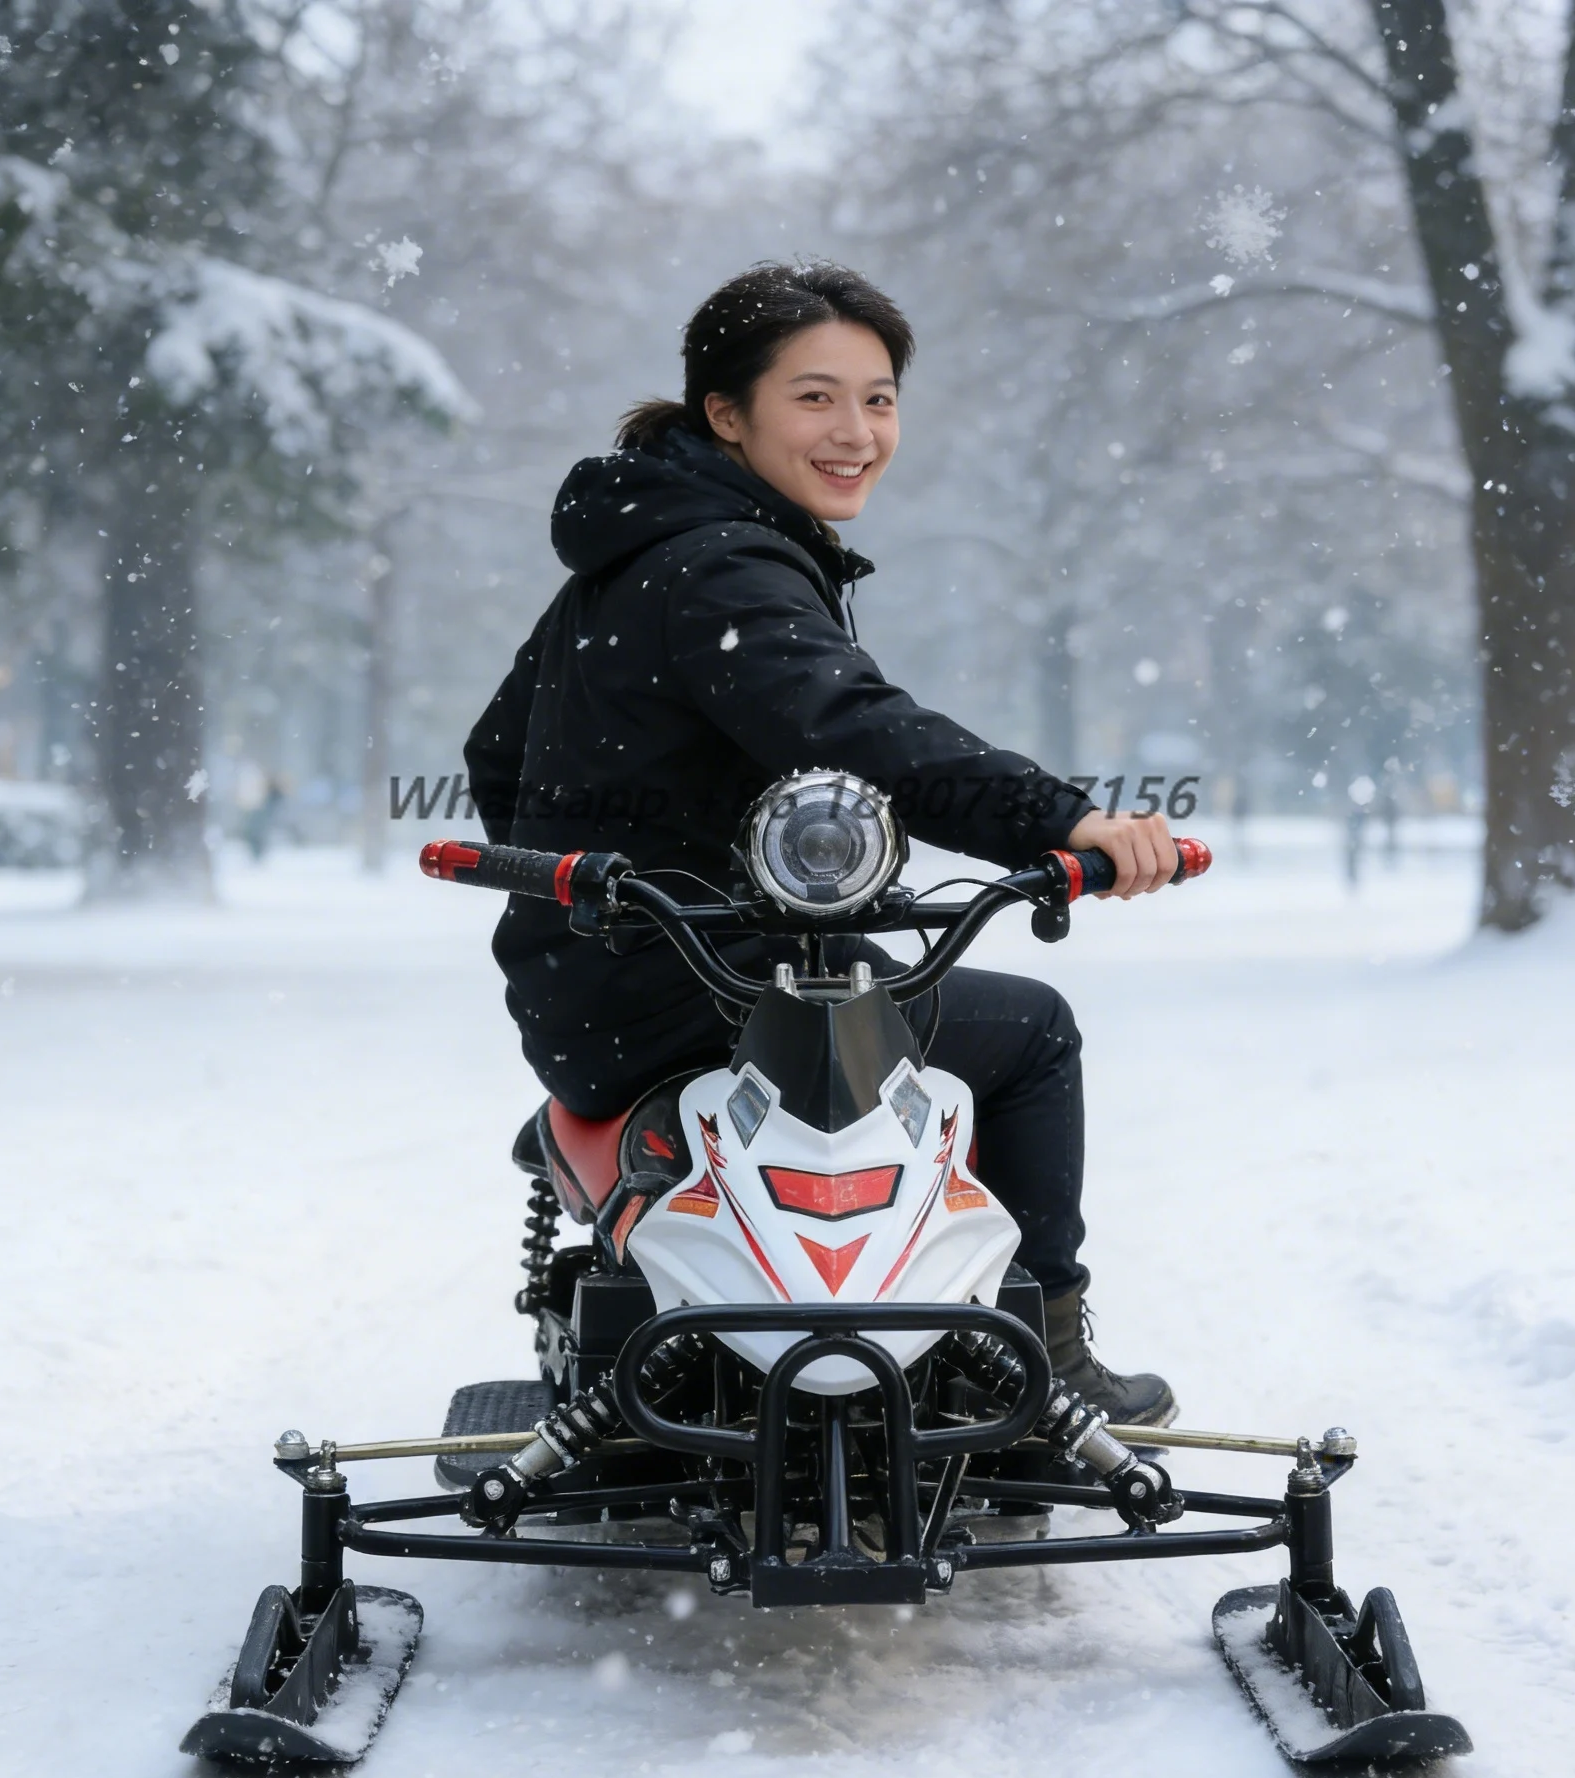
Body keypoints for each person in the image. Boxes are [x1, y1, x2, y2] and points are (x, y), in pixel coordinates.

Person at [465, 262, 1178, 1424]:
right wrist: (1063, 820)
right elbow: (850, 725)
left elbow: (496, 752)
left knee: (892, 994)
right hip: (705, 990)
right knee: (1032, 1031)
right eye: (814, 397)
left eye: (878, 399)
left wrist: (591, 889)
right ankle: (1040, 1355)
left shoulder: (639, 552)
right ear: (725, 413)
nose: (855, 432)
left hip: (599, 986)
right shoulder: (720, 560)